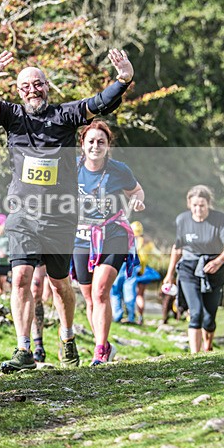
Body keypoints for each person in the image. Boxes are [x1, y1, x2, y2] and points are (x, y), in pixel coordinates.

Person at [0, 48, 134, 370]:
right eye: (26, 86)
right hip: (22, 214)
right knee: (20, 279)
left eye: (38, 84)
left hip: (60, 215)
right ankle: (23, 350)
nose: (33, 90)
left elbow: (101, 102)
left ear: (47, 86)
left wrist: (123, 80)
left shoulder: (65, 115)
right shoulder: (12, 116)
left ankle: (68, 336)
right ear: (18, 91)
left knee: (60, 285)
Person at [72, 121, 144, 365]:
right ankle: (104, 344)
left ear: (108, 146)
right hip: (81, 238)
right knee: (90, 298)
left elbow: (136, 191)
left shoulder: (118, 170)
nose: (95, 146)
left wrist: (137, 201)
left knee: (101, 290)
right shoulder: (72, 168)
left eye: (101, 142)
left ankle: (100, 350)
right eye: (90, 141)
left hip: (113, 234)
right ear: (82, 144)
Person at [163, 185, 224, 354]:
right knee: (195, 313)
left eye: (202, 205)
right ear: (189, 204)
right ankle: (195, 356)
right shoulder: (183, 220)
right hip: (188, 270)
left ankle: (207, 347)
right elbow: (178, 247)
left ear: (208, 204)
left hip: (213, 270)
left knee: (209, 318)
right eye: (194, 205)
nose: (198, 209)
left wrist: (218, 261)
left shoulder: (219, 219)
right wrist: (169, 273)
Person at [112, 221, 162, 325]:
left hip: (121, 265)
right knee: (135, 293)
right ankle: (133, 317)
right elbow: (158, 255)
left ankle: (117, 315)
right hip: (138, 270)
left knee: (116, 290)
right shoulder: (146, 242)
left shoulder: (124, 238)